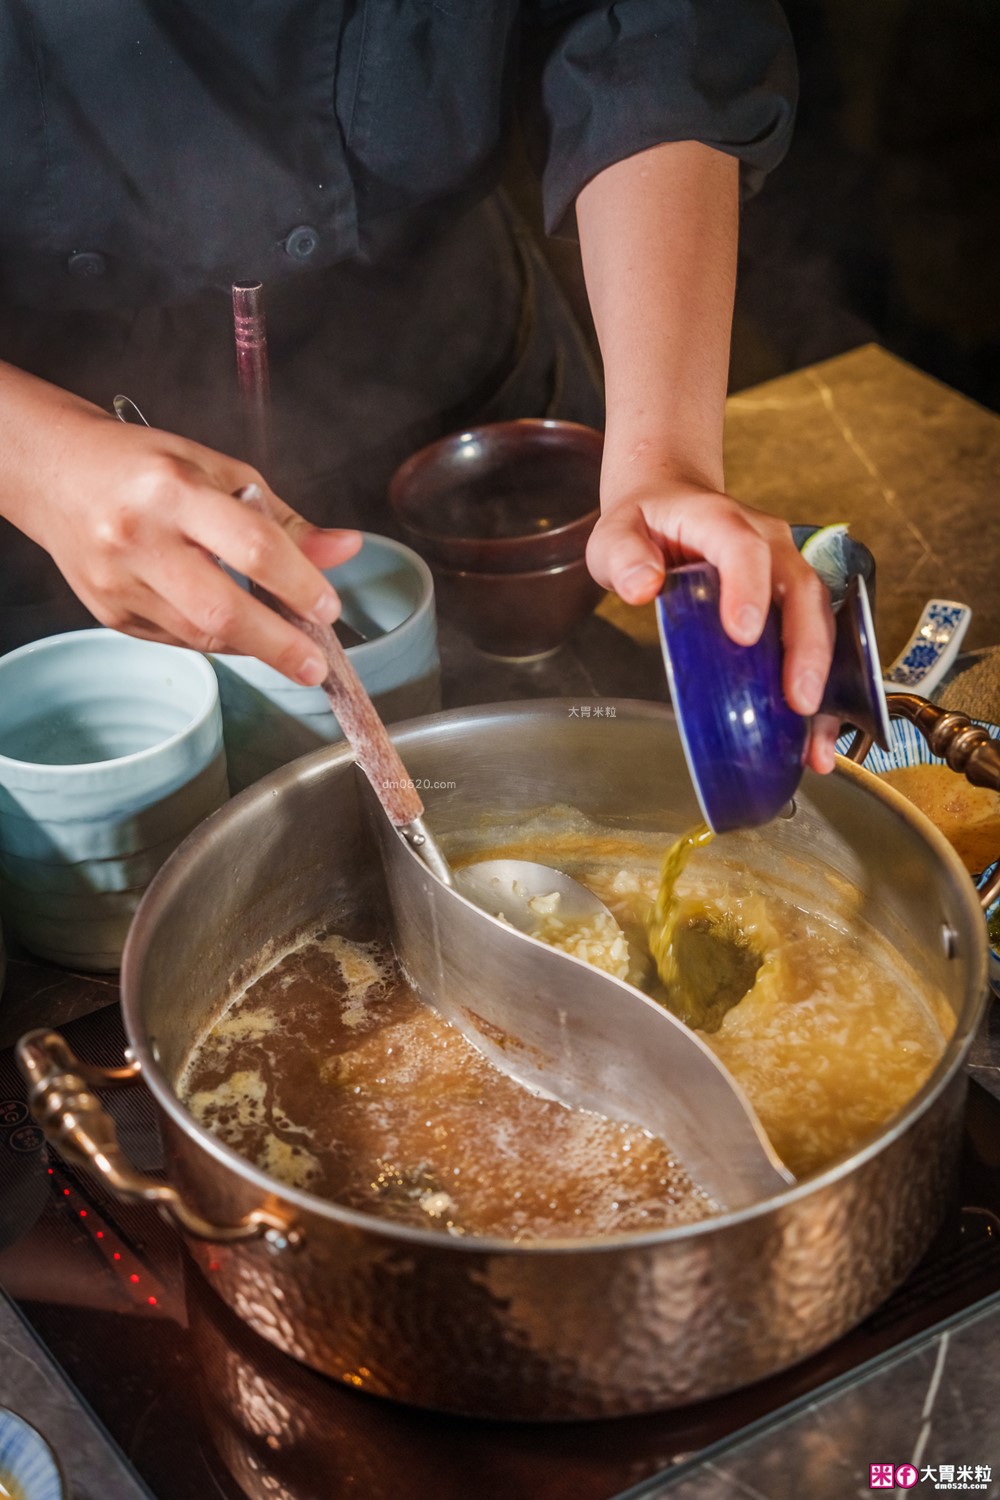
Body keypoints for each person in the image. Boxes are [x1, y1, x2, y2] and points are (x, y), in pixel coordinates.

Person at [0, 0, 837, 769]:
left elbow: (651, 31)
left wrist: (668, 460)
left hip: (458, 401)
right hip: (51, 474)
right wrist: (36, 461)